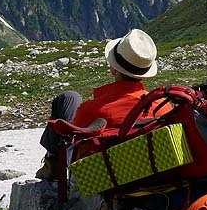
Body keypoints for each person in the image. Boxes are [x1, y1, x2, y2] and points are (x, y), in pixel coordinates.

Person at [37, 28, 161, 180]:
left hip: (103, 174)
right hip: (152, 171)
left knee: (70, 98)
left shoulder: (92, 109)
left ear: (114, 69)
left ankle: (51, 163)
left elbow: (74, 140)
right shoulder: (162, 105)